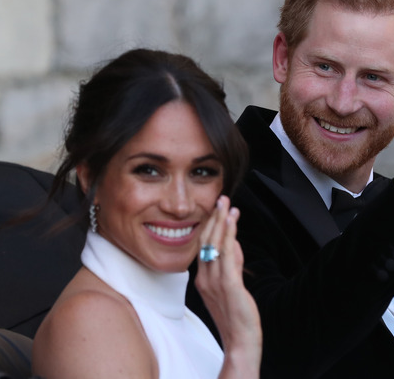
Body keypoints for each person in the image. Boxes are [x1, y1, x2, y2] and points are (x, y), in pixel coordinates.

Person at [187, 0, 394, 379]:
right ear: (283, 59)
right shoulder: (218, 188)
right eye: (325, 67)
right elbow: (275, 351)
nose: (344, 102)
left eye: (373, 77)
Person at [31, 49, 262, 379]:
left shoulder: (178, 315)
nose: (180, 205)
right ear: (90, 177)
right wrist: (241, 351)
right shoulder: (93, 322)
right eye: (149, 171)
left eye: (202, 172)